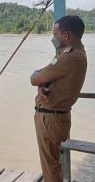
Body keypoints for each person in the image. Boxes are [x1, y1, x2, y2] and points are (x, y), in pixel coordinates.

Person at [30, 15, 87, 182]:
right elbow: (44, 75)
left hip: (50, 119)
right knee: (55, 163)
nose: (54, 38)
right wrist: (42, 83)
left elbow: (35, 78)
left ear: (66, 35)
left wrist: (39, 80)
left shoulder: (69, 58)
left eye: (56, 34)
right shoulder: (74, 54)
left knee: (51, 166)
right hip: (56, 117)